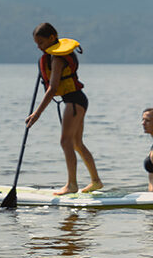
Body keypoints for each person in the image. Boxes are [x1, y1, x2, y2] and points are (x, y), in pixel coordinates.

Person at [25, 22, 103, 195]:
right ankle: (96, 181)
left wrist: (37, 114)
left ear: (52, 38)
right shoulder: (54, 55)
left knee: (66, 141)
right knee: (76, 143)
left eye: (41, 43)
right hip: (78, 100)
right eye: (37, 44)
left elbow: (52, 89)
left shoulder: (58, 58)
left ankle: (72, 185)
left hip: (73, 101)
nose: (39, 47)